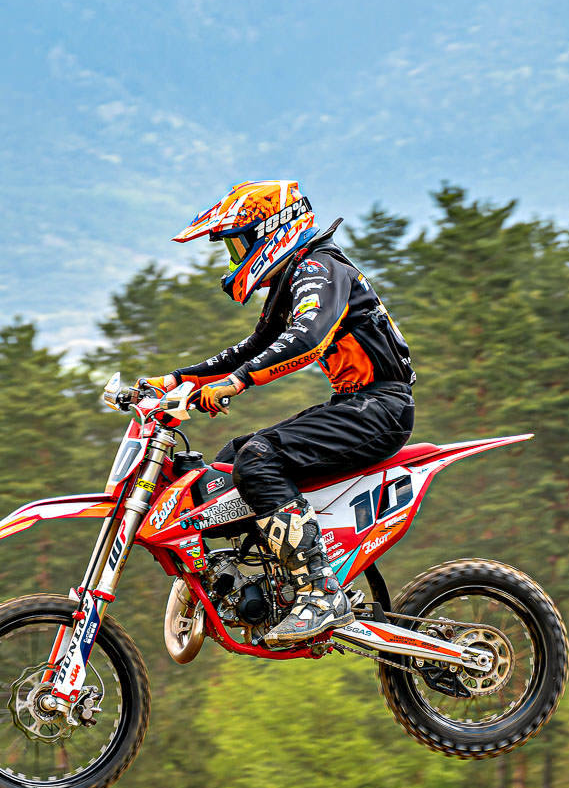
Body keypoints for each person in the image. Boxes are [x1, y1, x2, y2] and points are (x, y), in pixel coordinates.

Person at [138, 180, 415, 645]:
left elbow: (307, 339)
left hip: (380, 407)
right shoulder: (296, 277)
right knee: (231, 458)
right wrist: (176, 379)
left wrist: (236, 383)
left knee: (258, 458)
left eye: (238, 244)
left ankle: (320, 592)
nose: (235, 258)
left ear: (272, 230)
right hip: (356, 404)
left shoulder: (321, 268)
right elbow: (255, 346)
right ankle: (244, 576)